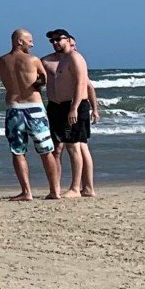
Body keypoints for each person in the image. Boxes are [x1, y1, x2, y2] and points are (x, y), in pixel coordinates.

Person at [0, 31, 63, 200]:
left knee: (18, 151)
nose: (32, 44)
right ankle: (54, 190)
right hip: (33, 107)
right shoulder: (33, 60)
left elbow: (7, 82)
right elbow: (44, 78)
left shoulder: (2, 61)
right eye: (30, 41)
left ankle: (27, 191)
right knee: (46, 150)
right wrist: (36, 83)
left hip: (14, 107)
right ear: (20, 41)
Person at [46, 30, 98, 197]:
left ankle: (77, 188)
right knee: (62, 146)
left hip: (73, 105)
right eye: (52, 41)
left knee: (74, 146)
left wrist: (74, 107)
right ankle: (61, 188)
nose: (55, 43)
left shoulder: (75, 57)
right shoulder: (60, 60)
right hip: (58, 107)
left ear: (67, 40)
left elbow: (82, 83)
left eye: (58, 39)